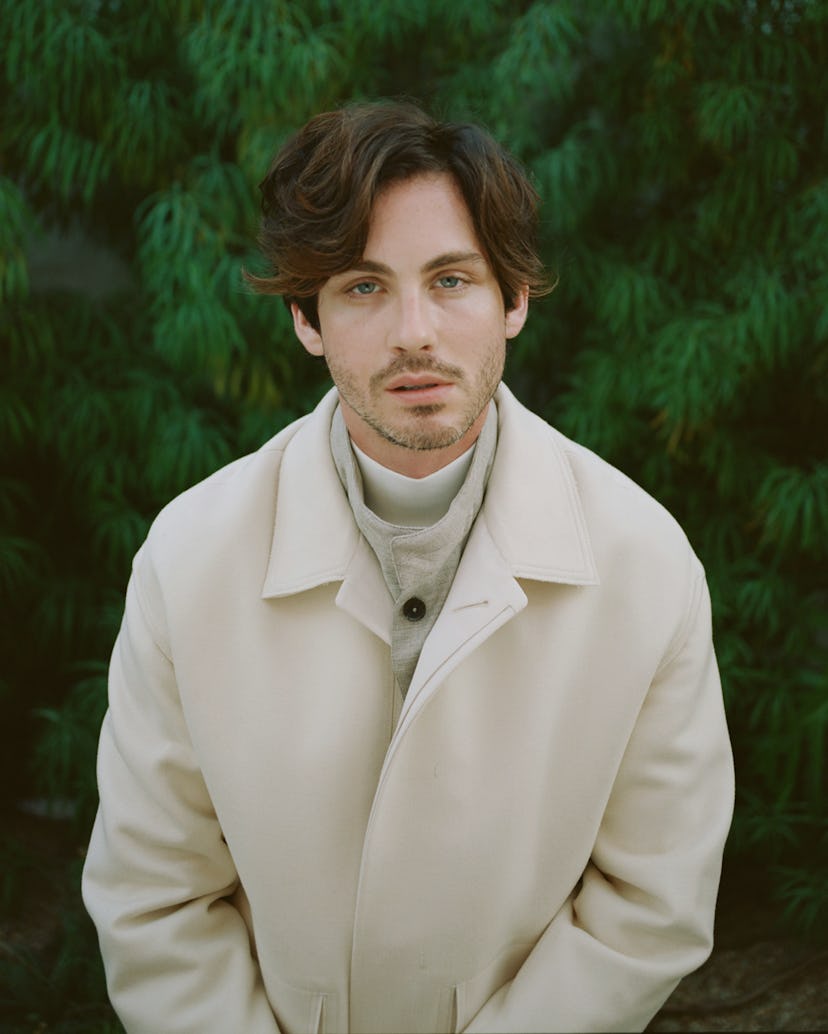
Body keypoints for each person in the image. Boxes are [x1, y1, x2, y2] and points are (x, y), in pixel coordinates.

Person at [82, 101, 734, 1034]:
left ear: (513, 299)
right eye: (362, 287)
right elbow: (156, 900)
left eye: (452, 280)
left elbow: (650, 906)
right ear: (307, 319)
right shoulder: (190, 558)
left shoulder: (643, 561)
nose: (413, 332)